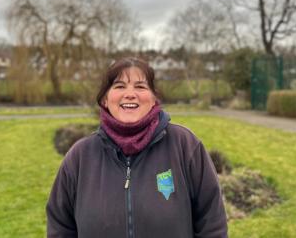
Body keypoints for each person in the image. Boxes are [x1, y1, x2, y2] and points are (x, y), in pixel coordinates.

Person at [46, 58, 227, 238]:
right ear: (105, 99)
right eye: (119, 86)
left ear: (154, 98)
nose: (130, 94)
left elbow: (212, 223)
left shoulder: (185, 146)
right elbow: (60, 226)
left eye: (140, 86)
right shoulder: (80, 157)